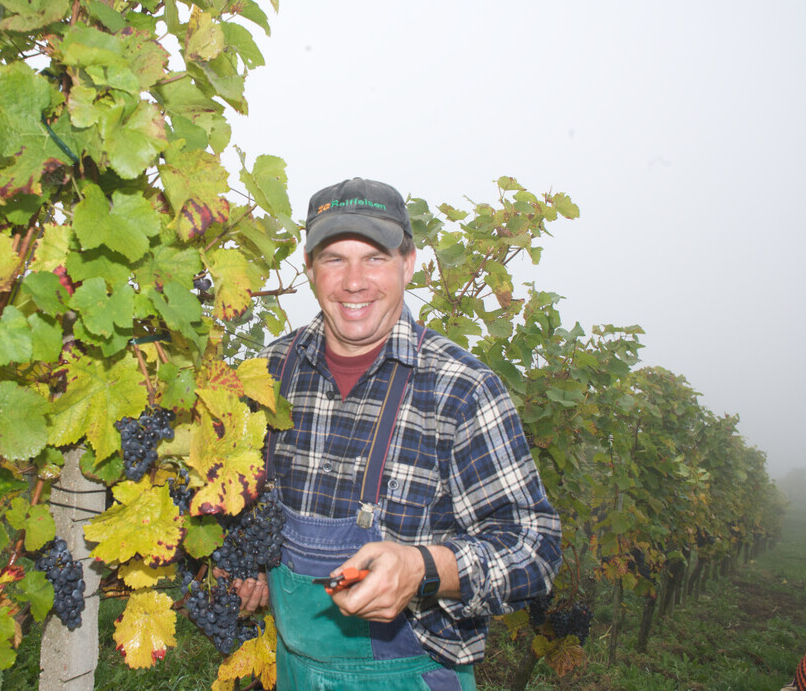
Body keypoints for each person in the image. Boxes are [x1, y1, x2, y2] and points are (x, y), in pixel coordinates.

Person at [236, 177, 563, 690]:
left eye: (374, 258)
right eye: (334, 258)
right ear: (309, 268)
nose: (354, 281)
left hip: (411, 677)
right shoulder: (268, 374)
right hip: (292, 673)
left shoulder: (463, 390)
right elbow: (241, 497)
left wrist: (423, 568)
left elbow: (534, 549)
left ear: (408, 264)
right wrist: (248, 562)